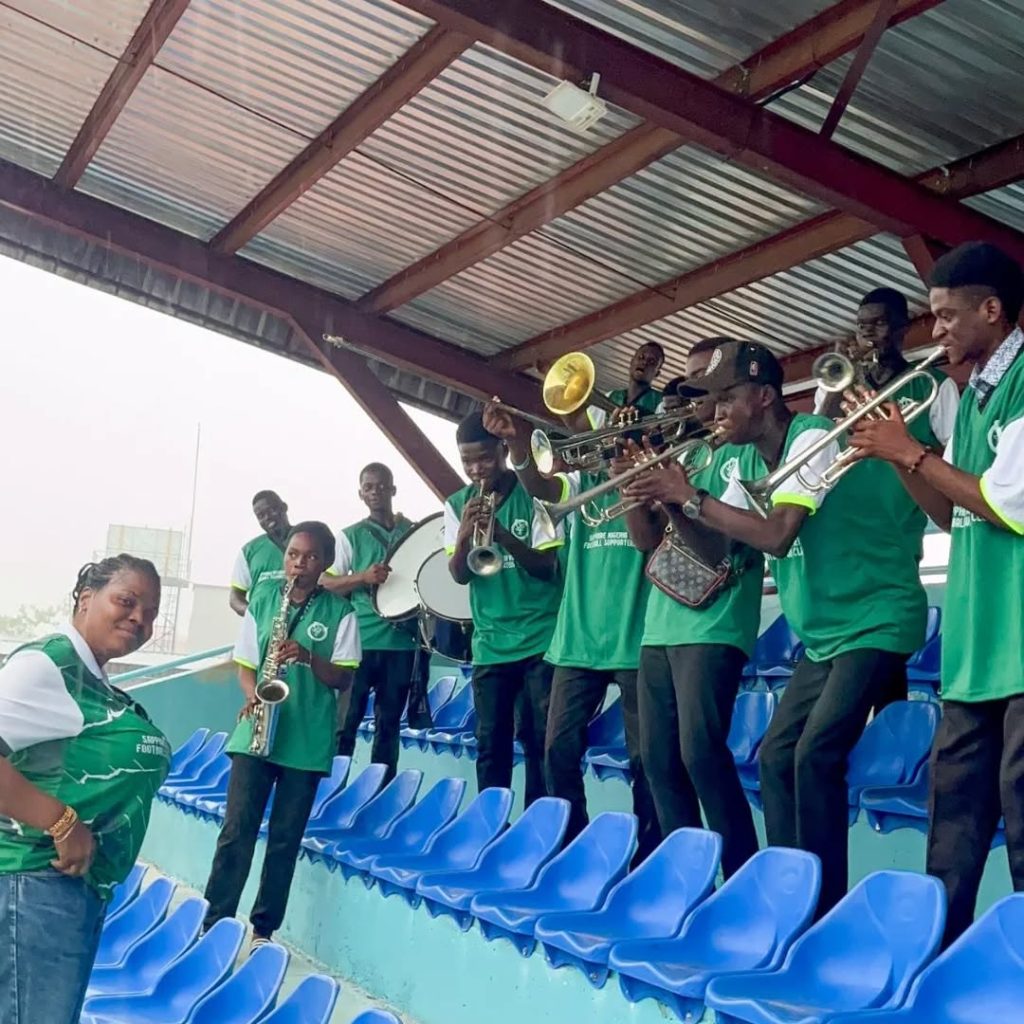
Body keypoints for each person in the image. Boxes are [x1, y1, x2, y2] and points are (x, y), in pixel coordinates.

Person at [622, 339, 927, 915]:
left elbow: (777, 535)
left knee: (813, 757)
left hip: (877, 617)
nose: (715, 414)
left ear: (764, 397)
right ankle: (789, 897)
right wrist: (672, 501)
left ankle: (822, 910)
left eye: (727, 399)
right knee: (773, 756)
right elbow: (714, 548)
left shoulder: (811, 435)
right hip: (826, 631)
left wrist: (691, 493)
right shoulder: (745, 463)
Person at [849, 241, 1024, 947]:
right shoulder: (975, 393)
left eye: (949, 316)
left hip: (1017, 651)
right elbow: (950, 513)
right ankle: (934, 965)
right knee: (950, 831)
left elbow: (1007, 504)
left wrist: (911, 451)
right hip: (977, 653)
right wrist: (893, 456)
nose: (938, 330)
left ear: (993, 310)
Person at [483, 400, 660, 862]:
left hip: (636, 641)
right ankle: (574, 849)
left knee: (647, 762)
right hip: (576, 642)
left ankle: (650, 856)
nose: (605, 447)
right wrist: (518, 444)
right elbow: (540, 485)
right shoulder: (579, 481)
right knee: (556, 751)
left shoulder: (652, 479)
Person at [0, 556, 168, 1023]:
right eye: (127, 601)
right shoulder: (48, 664)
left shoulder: (94, 679)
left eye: (151, 612)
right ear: (86, 598)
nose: (139, 618)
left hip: (67, 891)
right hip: (32, 886)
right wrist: (61, 820)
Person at [621, 338, 762, 878]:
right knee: (657, 761)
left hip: (716, 623)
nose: (694, 402)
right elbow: (645, 543)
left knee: (700, 754)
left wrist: (679, 495)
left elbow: (716, 551)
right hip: (661, 623)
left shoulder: (746, 455)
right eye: (690, 391)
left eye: (705, 390)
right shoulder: (686, 454)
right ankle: (684, 881)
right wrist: (638, 489)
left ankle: (743, 877)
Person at [203, 522, 360, 951]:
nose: (299, 563)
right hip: (256, 730)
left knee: (285, 840)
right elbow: (245, 664)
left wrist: (308, 657)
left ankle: (262, 931)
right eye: (293, 554)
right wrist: (254, 694)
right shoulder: (264, 599)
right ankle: (215, 923)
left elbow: (344, 679)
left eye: (310, 557)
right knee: (236, 831)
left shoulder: (341, 613)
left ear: (326, 563)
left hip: (306, 739)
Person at [817, 287, 958, 711]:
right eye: (861, 326)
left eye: (878, 324)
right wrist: (831, 389)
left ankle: (888, 763)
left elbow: (957, 461)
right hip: (844, 545)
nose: (868, 334)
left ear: (902, 328)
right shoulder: (843, 387)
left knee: (884, 678)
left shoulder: (933, 385)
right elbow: (812, 440)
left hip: (896, 540)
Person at [445, 412, 563, 805]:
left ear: (502, 451)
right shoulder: (457, 504)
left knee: (538, 743)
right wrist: (465, 535)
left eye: (484, 458)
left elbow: (548, 569)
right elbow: (460, 575)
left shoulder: (534, 494)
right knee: (490, 746)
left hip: (539, 641)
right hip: (491, 645)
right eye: (467, 462)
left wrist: (504, 536)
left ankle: (538, 828)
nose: (476, 470)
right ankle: (489, 830)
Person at [325, 463, 416, 782]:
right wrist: (363, 577)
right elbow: (325, 582)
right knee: (345, 725)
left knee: (389, 727)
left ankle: (380, 794)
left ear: (393, 489)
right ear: (360, 493)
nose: (375, 491)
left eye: (381, 485)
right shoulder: (349, 537)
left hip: (403, 642)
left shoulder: (413, 531)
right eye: (368, 486)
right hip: (359, 643)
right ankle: (334, 791)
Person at [229, 490, 291, 616]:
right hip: (262, 631)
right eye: (261, 516)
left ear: (284, 507)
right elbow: (235, 598)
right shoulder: (249, 550)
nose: (267, 518)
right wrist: (255, 616)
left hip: (304, 626)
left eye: (271, 510)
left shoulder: (308, 541)